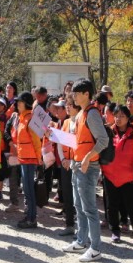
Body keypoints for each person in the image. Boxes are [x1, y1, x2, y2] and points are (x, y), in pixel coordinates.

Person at [62, 78, 108, 262]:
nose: (73, 96)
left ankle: (95, 248)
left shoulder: (91, 114)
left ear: (86, 94)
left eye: (76, 93)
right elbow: (78, 141)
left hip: (88, 167)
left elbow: (103, 140)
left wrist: (88, 158)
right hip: (78, 165)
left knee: (89, 208)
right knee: (79, 206)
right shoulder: (81, 114)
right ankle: (81, 241)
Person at [101, 105, 133, 246]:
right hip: (110, 176)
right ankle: (115, 231)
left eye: (122, 116)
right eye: (116, 115)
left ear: (128, 118)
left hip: (130, 177)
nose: (118, 119)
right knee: (112, 206)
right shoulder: (108, 133)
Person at [15, 91, 42, 229]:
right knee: (27, 190)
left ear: (25, 103)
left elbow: (37, 141)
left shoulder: (30, 119)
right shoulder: (22, 118)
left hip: (30, 160)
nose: (17, 104)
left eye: (19, 102)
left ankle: (32, 219)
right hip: (24, 159)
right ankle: (30, 216)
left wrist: (38, 158)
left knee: (29, 190)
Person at [56, 94, 79, 236]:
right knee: (68, 195)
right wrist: (63, 159)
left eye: (69, 105)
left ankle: (83, 228)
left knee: (79, 196)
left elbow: (81, 144)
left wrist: (73, 161)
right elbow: (59, 142)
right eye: (67, 105)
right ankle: (69, 224)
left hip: (78, 164)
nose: (67, 107)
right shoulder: (65, 123)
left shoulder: (82, 121)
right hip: (66, 164)